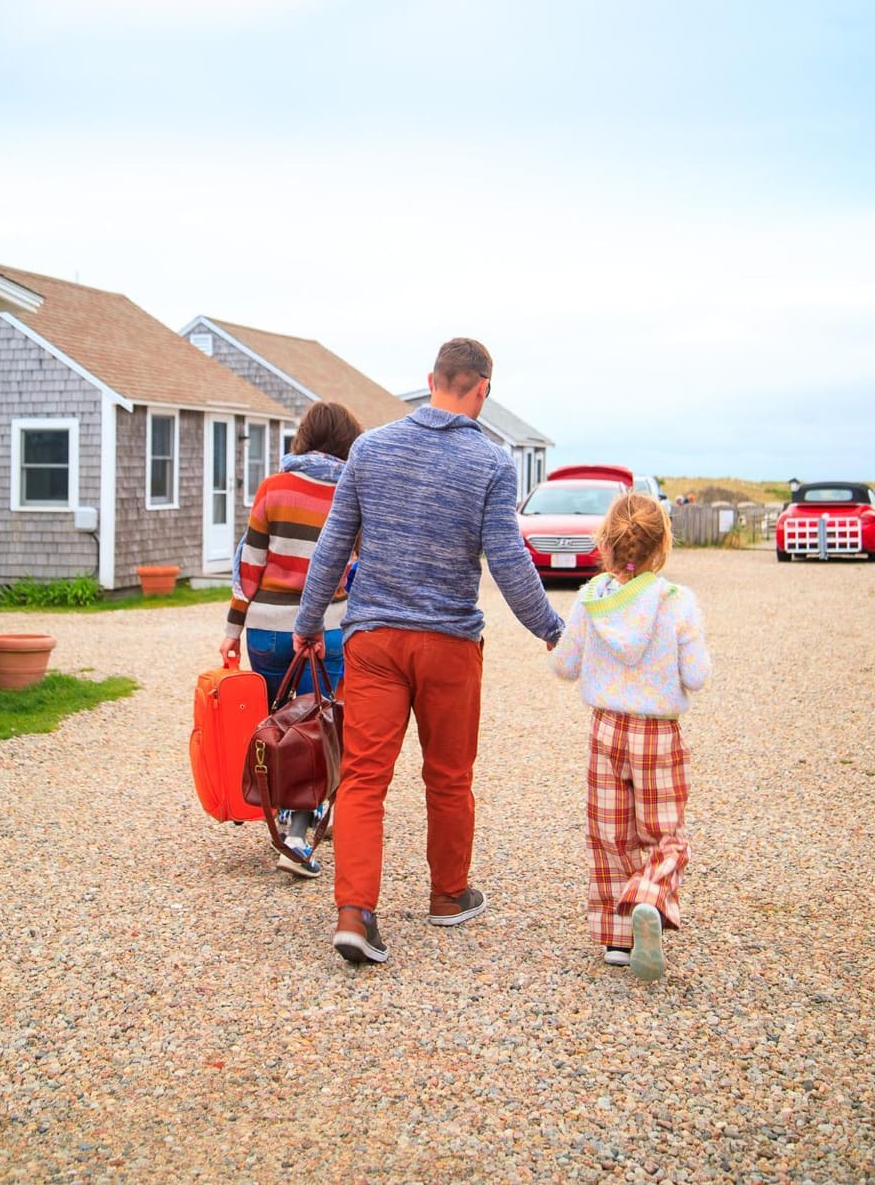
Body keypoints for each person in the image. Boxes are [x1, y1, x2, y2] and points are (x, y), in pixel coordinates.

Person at [292, 338, 566, 965]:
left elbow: (332, 545)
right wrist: (553, 628)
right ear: (482, 389)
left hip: (374, 641)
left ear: (432, 379)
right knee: (448, 776)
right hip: (449, 644)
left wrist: (308, 622)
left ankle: (355, 913)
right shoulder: (491, 463)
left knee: (363, 777)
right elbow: (509, 563)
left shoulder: (370, 448)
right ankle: (447, 896)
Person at [551, 491, 711, 981]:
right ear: (662, 545)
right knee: (665, 835)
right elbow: (697, 675)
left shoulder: (591, 599)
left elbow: (564, 666)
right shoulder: (677, 601)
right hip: (658, 733)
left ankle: (617, 937)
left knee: (609, 833)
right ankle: (649, 897)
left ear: (606, 543)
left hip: (606, 729)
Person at [219, 400, 362, 878]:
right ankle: (297, 836)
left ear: (304, 437)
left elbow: (250, 568)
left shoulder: (272, 488)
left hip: (267, 629)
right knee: (314, 728)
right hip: (326, 629)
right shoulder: (350, 491)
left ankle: (287, 809)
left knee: (276, 722)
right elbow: (358, 566)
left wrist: (232, 630)